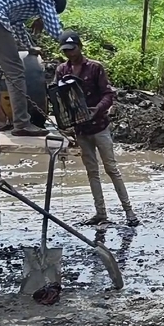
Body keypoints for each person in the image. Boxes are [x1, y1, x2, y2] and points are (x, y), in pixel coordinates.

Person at [55, 31, 140, 228]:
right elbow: (59, 97)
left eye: (72, 49)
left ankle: (129, 211)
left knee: (111, 169)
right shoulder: (61, 70)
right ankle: (101, 213)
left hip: (100, 126)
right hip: (81, 129)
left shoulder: (94, 68)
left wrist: (97, 109)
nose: (69, 54)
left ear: (80, 47)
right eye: (66, 51)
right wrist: (64, 123)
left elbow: (108, 94)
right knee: (92, 171)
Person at [0, 0, 67, 137]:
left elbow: (17, 26)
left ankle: (0, 120)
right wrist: (70, 44)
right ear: (53, 4)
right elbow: (54, 28)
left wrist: (29, 48)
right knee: (15, 71)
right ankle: (22, 123)